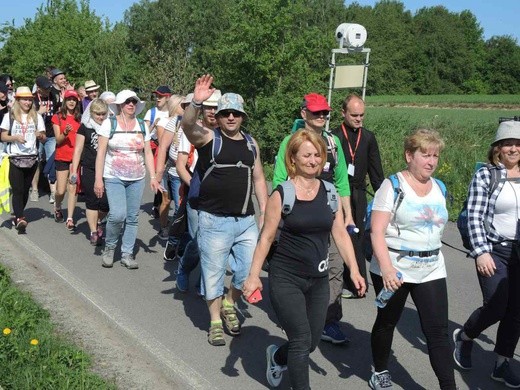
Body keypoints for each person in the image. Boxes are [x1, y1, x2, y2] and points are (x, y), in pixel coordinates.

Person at [243, 129, 365, 390]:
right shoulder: (282, 194)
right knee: (300, 339)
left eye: (318, 155)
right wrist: (253, 276)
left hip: (318, 280)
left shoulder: (330, 193)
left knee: (310, 343)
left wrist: (353, 269)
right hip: (286, 278)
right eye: (307, 155)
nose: (313, 160)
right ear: (293, 160)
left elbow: (340, 233)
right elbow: (266, 238)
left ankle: (277, 356)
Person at [181, 74, 268, 346]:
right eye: (226, 113)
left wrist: (265, 211)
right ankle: (215, 321)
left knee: (247, 273)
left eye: (236, 113)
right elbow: (186, 125)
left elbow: (259, 179)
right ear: (217, 116)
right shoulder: (208, 138)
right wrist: (196, 101)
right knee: (214, 274)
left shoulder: (252, 144)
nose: (231, 117)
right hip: (213, 221)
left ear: (243, 116)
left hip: (245, 222)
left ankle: (230, 303)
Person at [368, 129, 456, 390]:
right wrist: (386, 268)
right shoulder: (393, 186)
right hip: (396, 267)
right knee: (386, 323)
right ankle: (380, 369)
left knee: (438, 333)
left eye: (435, 156)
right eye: (425, 155)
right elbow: (377, 231)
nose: (431, 161)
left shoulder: (439, 187)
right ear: (409, 155)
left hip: (431, 268)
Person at [272, 92, 353, 345]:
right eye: (316, 112)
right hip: (300, 214)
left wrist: (348, 214)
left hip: (329, 211)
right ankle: (298, 318)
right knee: (304, 266)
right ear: (304, 113)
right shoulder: (290, 142)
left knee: (335, 268)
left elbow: (341, 182)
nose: (321, 117)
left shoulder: (334, 143)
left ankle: (329, 320)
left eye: (325, 113)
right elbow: (279, 180)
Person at [453, 120, 520, 388]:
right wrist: (481, 252)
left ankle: (502, 363)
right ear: (497, 149)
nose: (513, 148)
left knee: (516, 311)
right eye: (508, 144)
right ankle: (466, 336)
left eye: (517, 144)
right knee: (496, 304)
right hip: (494, 250)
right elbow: (475, 217)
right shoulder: (487, 176)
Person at [94, 90, 160, 269]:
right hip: (113, 175)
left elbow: (147, 152)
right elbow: (100, 153)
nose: (131, 104)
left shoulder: (141, 125)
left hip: (137, 177)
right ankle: (109, 247)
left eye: (133, 101)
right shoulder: (109, 123)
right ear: (119, 105)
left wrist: (153, 177)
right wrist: (98, 179)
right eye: (127, 102)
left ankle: (127, 254)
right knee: (117, 215)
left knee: (132, 217)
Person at [333, 93, 384, 298]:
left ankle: (358, 283)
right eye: (354, 115)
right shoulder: (334, 136)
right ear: (343, 113)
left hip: (359, 192)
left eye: (362, 115)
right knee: (341, 234)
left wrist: (383, 200)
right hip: (338, 193)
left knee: (357, 234)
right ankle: (348, 280)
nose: (358, 119)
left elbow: (376, 172)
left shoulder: (369, 137)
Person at [0, 86, 46, 233]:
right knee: (18, 189)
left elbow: (44, 138)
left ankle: (18, 214)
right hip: (15, 157)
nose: (27, 102)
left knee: (25, 190)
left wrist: (41, 136)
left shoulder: (37, 117)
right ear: (18, 100)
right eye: (25, 99)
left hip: (32, 158)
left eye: (29, 100)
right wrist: (15, 137)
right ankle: (20, 217)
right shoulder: (10, 116)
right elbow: (2, 136)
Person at [70, 98, 109, 245]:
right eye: (97, 114)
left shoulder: (109, 126)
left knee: (106, 203)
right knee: (92, 200)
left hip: (107, 169)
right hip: (89, 168)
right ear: (91, 113)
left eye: (103, 114)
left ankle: (98, 220)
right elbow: (78, 149)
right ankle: (93, 231)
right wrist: (74, 170)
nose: (100, 117)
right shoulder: (84, 127)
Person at [152, 94, 184, 240]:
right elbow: (162, 146)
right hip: (167, 166)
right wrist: (159, 172)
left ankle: (178, 233)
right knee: (166, 199)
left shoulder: (191, 123)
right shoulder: (167, 122)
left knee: (180, 203)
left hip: (181, 169)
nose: (185, 108)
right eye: (182, 105)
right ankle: (164, 227)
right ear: (174, 106)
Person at [51, 89, 82, 230]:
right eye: (69, 99)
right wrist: (65, 132)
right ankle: (57, 207)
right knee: (61, 190)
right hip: (62, 157)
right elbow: (58, 140)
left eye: (74, 100)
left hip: (75, 158)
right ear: (65, 101)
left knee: (73, 187)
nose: (71, 102)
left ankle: (70, 218)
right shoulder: (57, 117)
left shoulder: (80, 119)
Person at [144, 85, 172, 219]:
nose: (157, 98)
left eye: (161, 96)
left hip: (171, 147)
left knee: (168, 174)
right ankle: (157, 203)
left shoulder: (172, 112)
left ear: (168, 98)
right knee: (158, 174)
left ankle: (162, 202)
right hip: (156, 146)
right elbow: (145, 133)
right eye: (157, 96)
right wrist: (154, 124)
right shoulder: (152, 112)